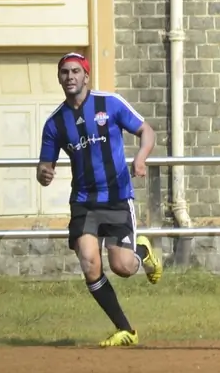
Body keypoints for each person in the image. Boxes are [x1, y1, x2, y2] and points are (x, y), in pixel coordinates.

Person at [37, 52, 162, 348]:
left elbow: (146, 130)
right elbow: (45, 165)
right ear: (59, 78)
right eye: (65, 72)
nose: (70, 77)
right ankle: (126, 330)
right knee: (89, 262)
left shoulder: (110, 103)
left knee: (123, 267)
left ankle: (141, 253)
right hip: (83, 201)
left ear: (86, 76)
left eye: (76, 71)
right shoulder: (55, 123)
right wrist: (44, 173)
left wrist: (141, 159)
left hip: (117, 197)